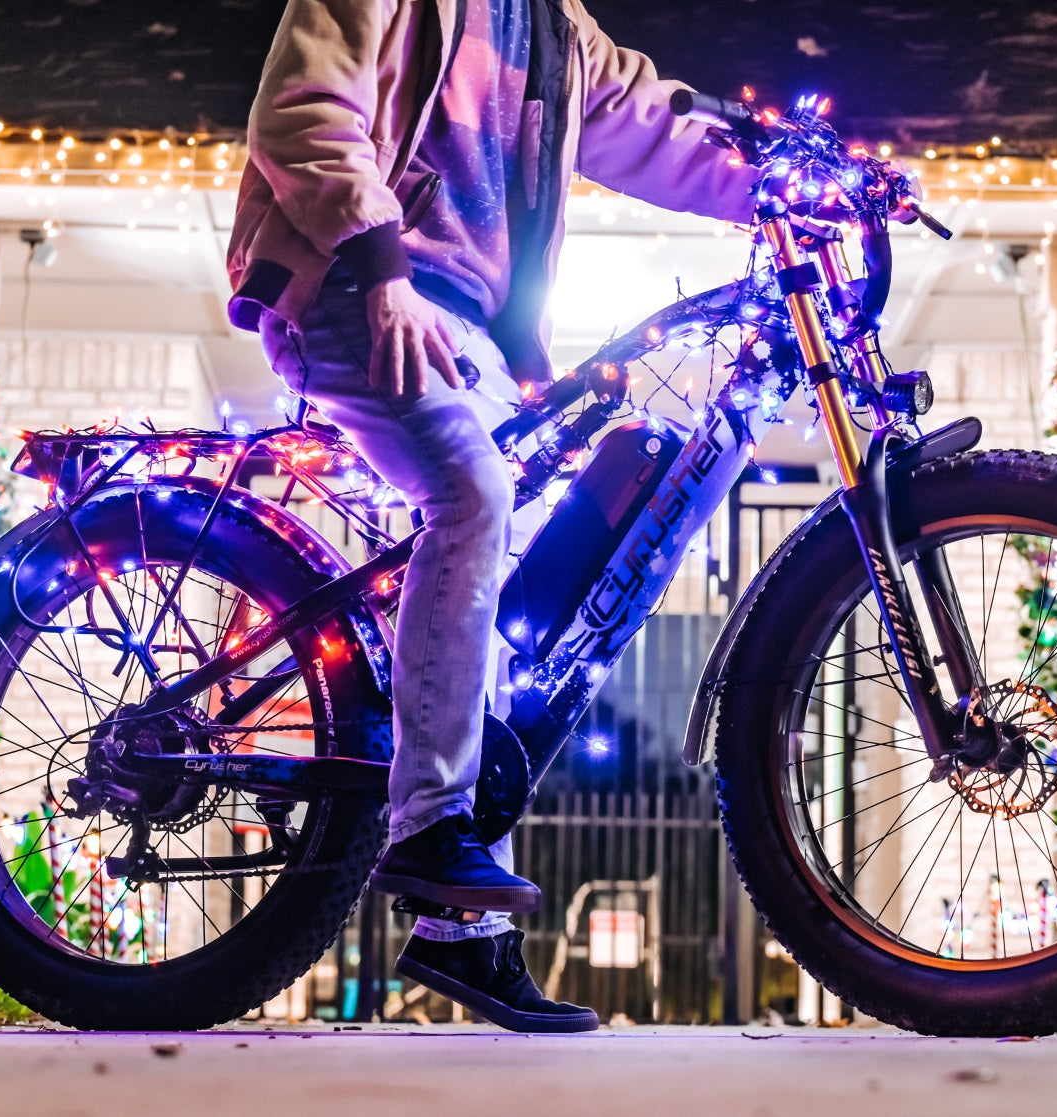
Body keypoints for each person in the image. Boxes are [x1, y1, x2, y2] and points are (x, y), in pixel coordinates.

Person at [228, 0, 758, 1032]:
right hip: (354, 286)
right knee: (470, 495)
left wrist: (786, 183)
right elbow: (301, 115)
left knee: (511, 599)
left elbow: (654, 123)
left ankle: (461, 934)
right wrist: (378, 266)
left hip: (466, 329)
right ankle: (426, 829)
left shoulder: (556, 31)